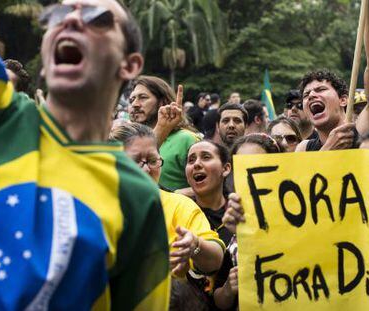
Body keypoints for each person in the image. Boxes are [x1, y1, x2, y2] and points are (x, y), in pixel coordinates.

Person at [0, 0, 169, 309]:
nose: (71, 21)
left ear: (129, 64)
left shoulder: (137, 196)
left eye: (97, 19)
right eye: (59, 14)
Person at [109, 123, 224, 278]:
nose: (146, 169)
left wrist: (196, 245)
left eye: (152, 160)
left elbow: (215, 260)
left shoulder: (179, 205)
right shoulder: (95, 203)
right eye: (135, 160)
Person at [296, 0, 369, 152]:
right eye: (306, 94)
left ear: (344, 100)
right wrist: (327, 150)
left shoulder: (368, 129)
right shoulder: (303, 148)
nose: (312, 96)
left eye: (321, 89)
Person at [214, 134, 283, 310]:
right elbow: (219, 300)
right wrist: (229, 289)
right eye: (242, 167)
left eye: (257, 165)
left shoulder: (300, 214)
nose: (250, 173)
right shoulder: (231, 221)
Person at [129, 75, 200, 191]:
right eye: (132, 100)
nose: (135, 104)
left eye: (143, 97)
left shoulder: (187, 139)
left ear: (162, 102)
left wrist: (176, 196)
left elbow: (211, 185)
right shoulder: (128, 141)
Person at [185, 140, 233, 308]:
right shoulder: (180, 211)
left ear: (226, 169)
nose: (197, 164)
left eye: (206, 157)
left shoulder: (240, 212)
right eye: (191, 160)